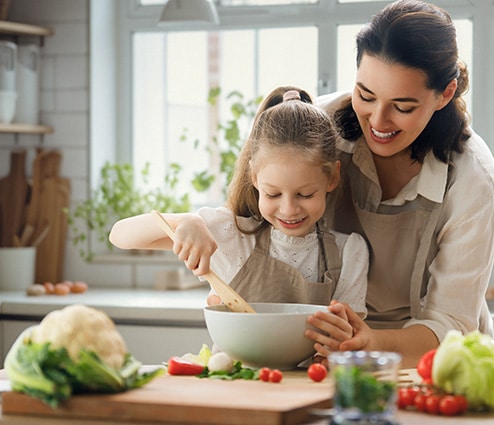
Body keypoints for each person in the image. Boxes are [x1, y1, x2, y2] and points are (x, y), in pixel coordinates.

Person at [305, 0, 494, 367]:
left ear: (445, 94)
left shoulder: (471, 175)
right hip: (333, 354)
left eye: (403, 106)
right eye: (365, 95)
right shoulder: (320, 128)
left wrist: (371, 341)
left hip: (436, 363)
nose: (378, 120)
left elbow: (450, 323)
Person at [109, 86, 368, 322]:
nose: (289, 209)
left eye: (306, 195)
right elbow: (120, 235)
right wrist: (187, 221)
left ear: (332, 177)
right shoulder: (230, 235)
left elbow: (349, 333)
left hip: (310, 375)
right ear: (254, 177)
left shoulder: (349, 252)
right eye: (273, 194)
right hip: (234, 373)